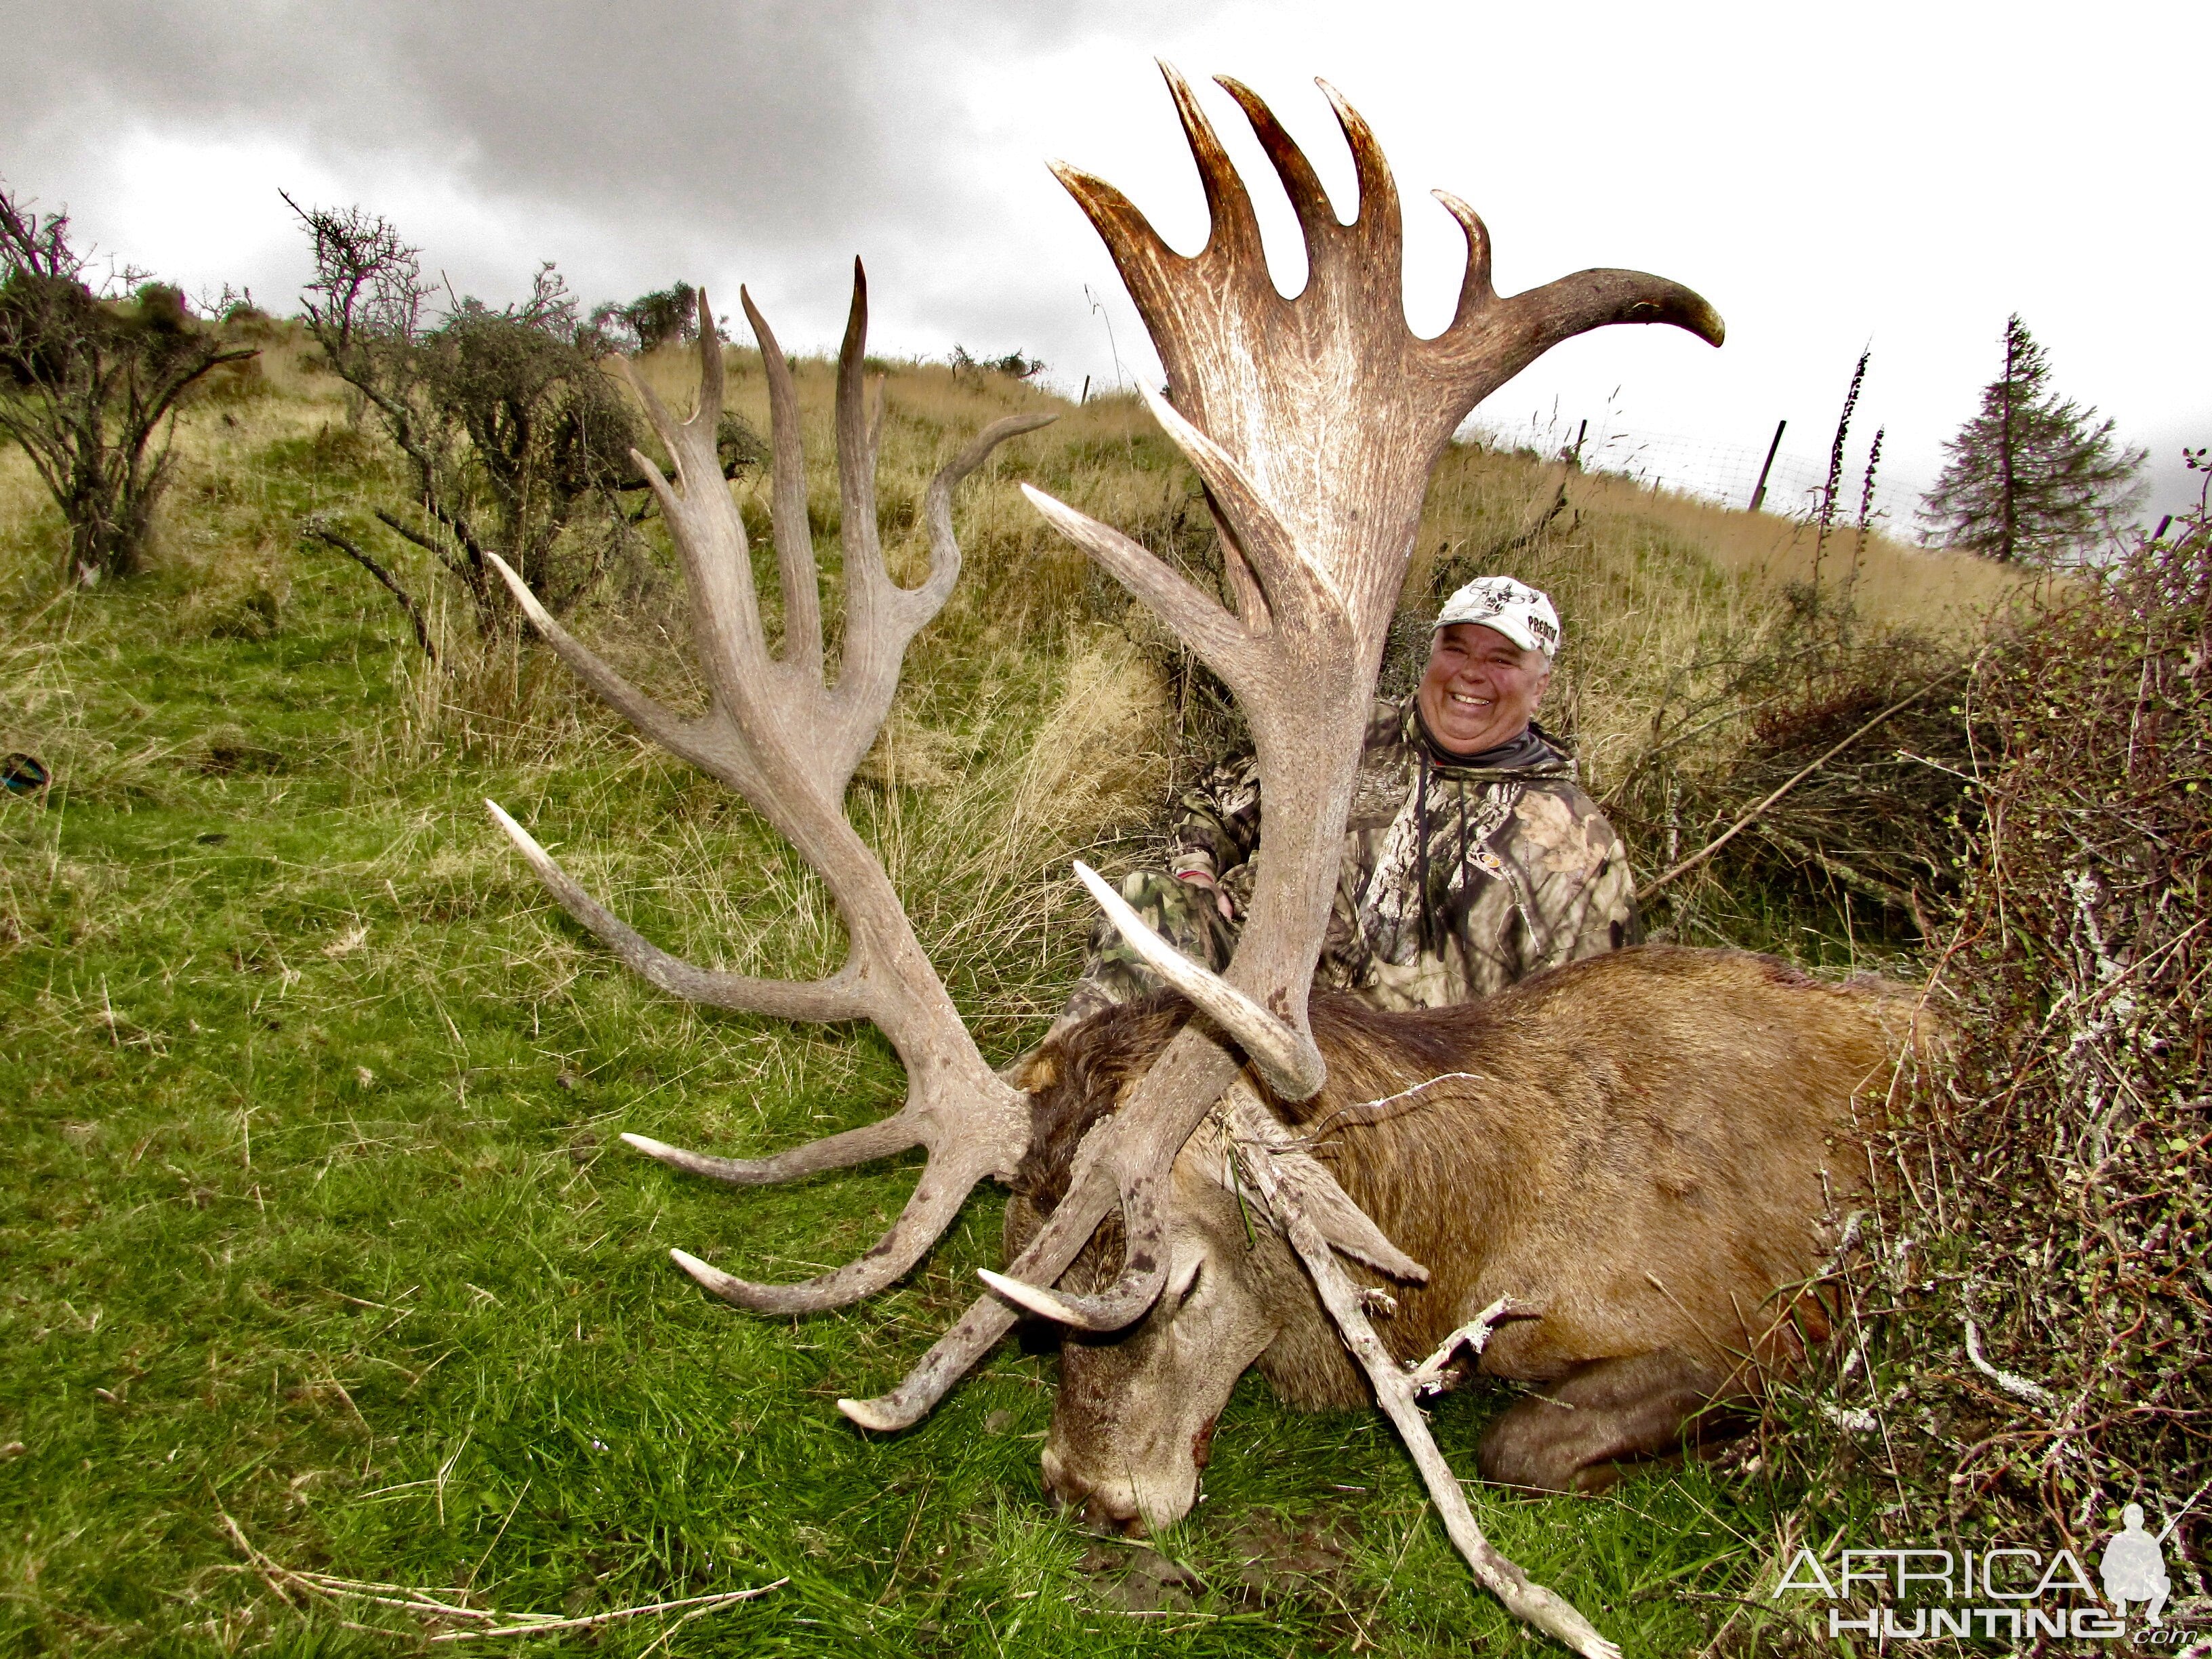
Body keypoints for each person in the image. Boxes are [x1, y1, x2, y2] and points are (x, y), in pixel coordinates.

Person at [1052, 576, 1638, 1038]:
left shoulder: (1578, 844)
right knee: (1149, 903)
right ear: (1430, 654)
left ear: (1542, 684)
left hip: (1410, 1069)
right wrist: (1197, 872)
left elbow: (1589, 1028)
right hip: (1263, 986)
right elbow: (1214, 802)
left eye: (1503, 660)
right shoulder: (1350, 734)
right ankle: (1056, 1115)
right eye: (1455, 648)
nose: (1471, 673)